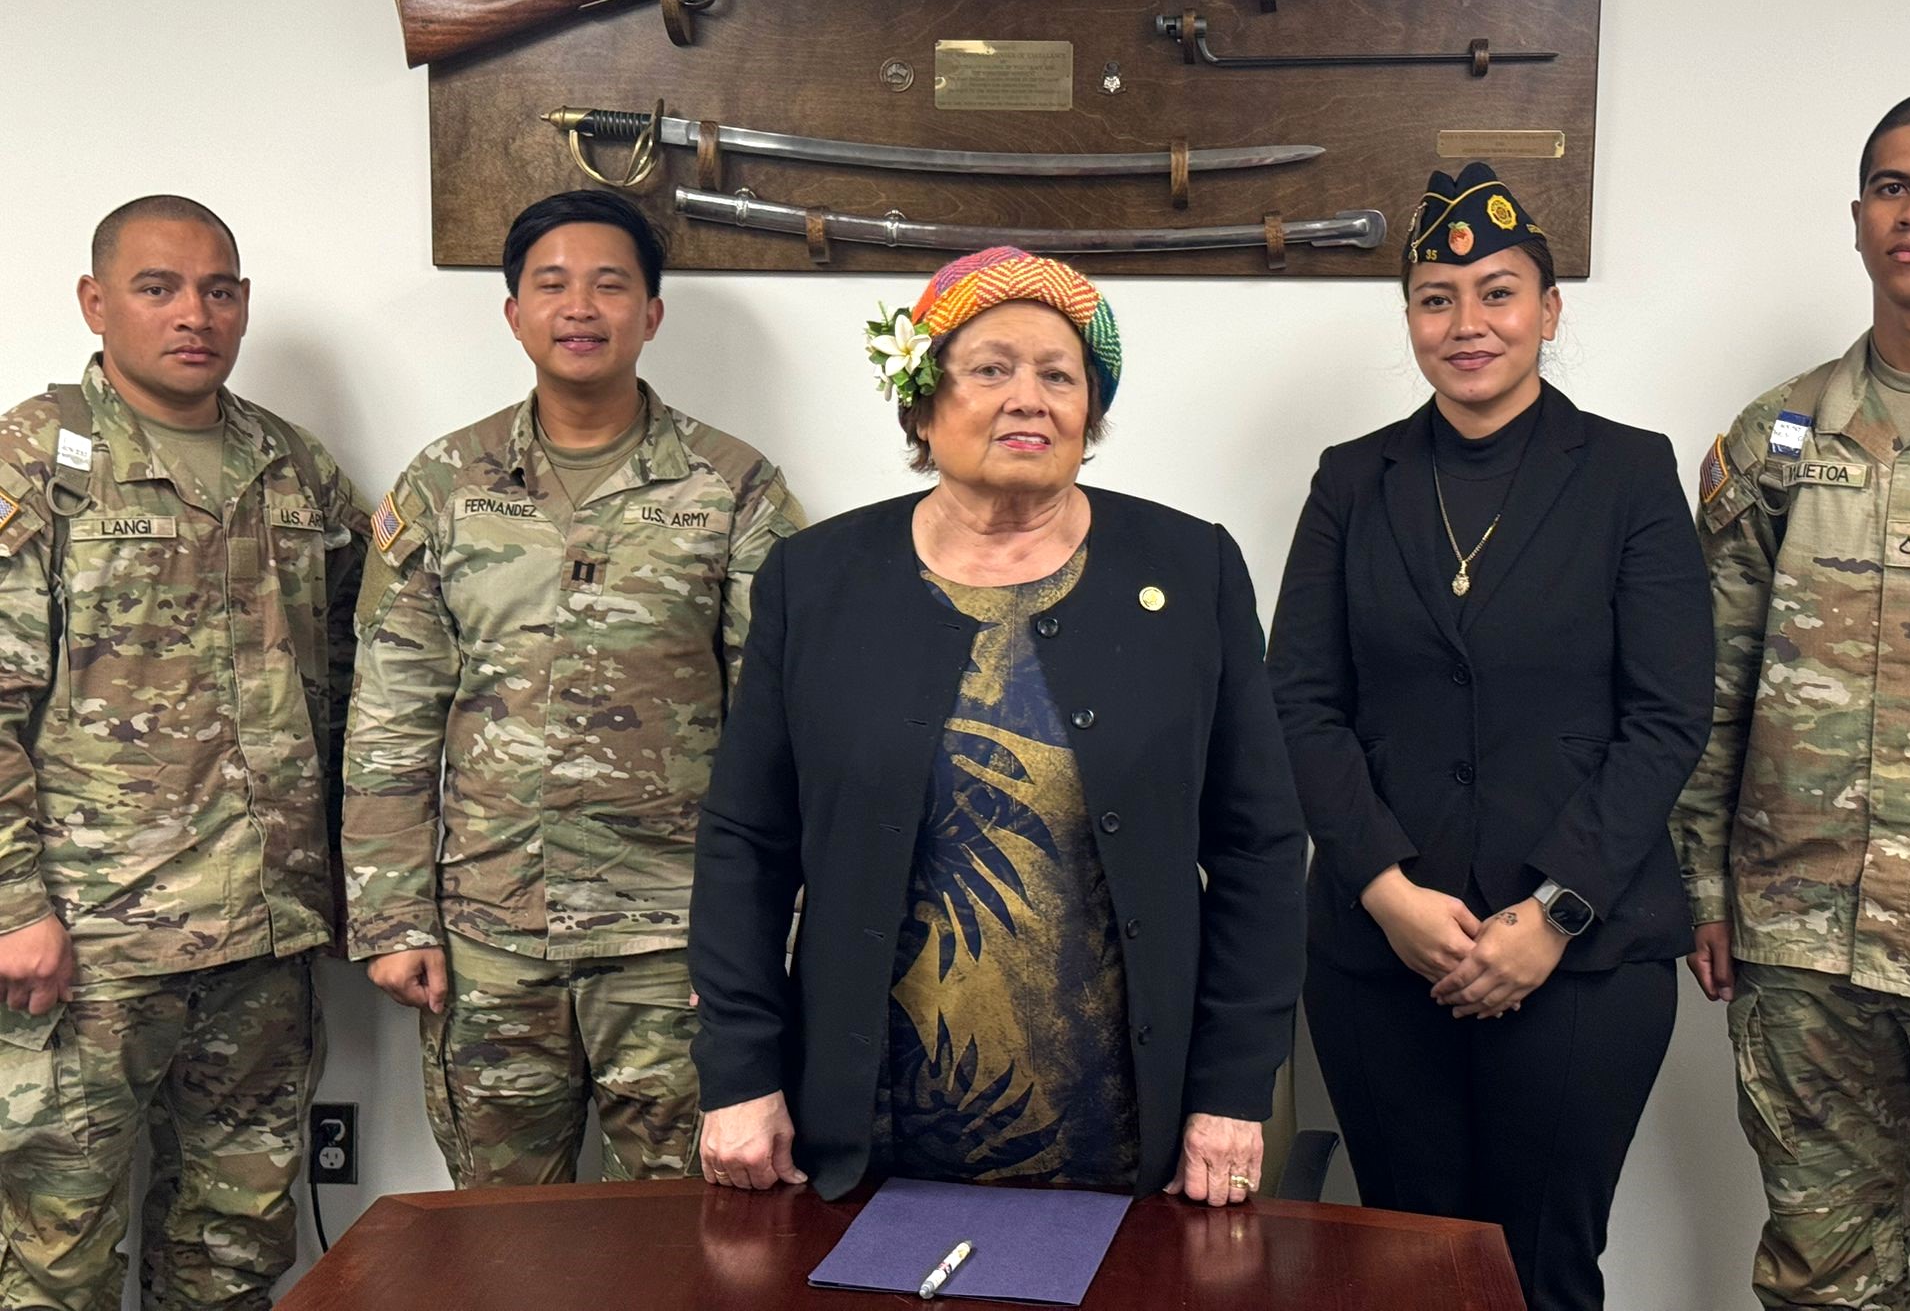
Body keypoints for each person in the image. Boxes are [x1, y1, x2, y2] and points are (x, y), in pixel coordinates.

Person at [688, 247, 1305, 1205]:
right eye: (991, 369)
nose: (1030, 399)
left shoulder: (1191, 571)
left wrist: (1232, 1091)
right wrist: (740, 1073)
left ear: (1090, 414)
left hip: (1129, 1135)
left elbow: (1258, 846)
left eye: (1060, 376)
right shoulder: (815, 582)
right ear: (922, 406)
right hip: (867, 1134)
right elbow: (745, 843)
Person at [1267, 165, 1714, 1310]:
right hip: (1380, 956)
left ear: (1548, 311)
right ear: (1408, 317)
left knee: (1541, 1273)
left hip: (1581, 964)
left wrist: (1552, 912)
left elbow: (1667, 714)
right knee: (1406, 1270)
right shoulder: (1351, 482)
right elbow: (1299, 703)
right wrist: (1385, 893)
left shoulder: (1627, 473)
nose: (1465, 322)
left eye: (1497, 292)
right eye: (1435, 297)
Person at [343, 189, 804, 1187]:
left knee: (697, 1233)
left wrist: (767, 936)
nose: (581, 307)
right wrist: (392, 918)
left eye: (610, 284)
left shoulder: (733, 487)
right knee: (502, 1241)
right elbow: (390, 714)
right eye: (552, 285)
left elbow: (782, 730)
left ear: (652, 313)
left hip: (675, 944)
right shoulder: (444, 485)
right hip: (489, 939)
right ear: (515, 314)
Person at [1672, 91, 1910, 1310]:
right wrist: (1704, 887)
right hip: (1800, 941)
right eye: (1890, 187)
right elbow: (1710, 680)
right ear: (1855, 217)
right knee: (1820, 1280)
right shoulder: (1778, 437)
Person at [0, 195, 369, 1309]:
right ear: (95, 301)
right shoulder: (34, 459)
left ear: (243, 304)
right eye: (157, 288)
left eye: (216, 290)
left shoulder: (291, 467)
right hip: (91, 941)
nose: (192, 315)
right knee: (56, 1256)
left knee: (235, 1249)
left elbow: (370, 671)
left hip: (264, 935)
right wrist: (13, 904)